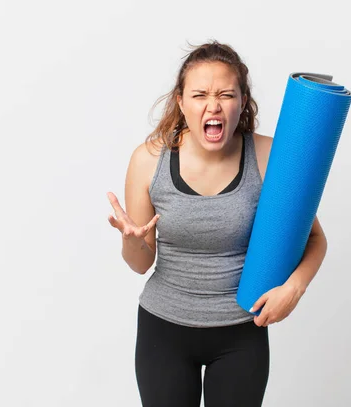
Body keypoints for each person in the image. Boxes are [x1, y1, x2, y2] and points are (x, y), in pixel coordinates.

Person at [107, 40, 328, 407]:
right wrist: (133, 241)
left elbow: (316, 238)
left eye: (226, 94)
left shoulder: (268, 156)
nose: (213, 105)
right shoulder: (149, 160)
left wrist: (294, 289)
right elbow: (141, 263)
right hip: (164, 330)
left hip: (242, 332)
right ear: (180, 101)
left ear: (242, 101)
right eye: (199, 95)